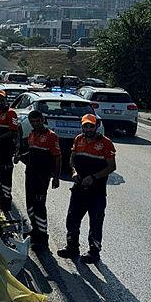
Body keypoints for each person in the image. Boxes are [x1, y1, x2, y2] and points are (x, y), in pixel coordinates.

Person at [57, 114, 116, 264]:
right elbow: (72, 159)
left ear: (96, 126)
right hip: (79, 188)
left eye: (91, 126)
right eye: (86, 126)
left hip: (97, 191)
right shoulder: (78, 139)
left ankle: (94, 252)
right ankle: (72, 247)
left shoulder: (106, 143)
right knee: (72, 219)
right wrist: (74, 172)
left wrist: (94, 177)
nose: (88, 129)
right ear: (82, 126)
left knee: (96, 221)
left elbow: (111, 166)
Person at [15, 110, 61, 250]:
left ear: (43, 119)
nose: (35, 124)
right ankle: (35, 230)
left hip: (42, 177)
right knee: (30, 204)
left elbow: (57, 157)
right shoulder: (31, 134)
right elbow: (31, 152)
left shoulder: (51, 136)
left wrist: (56, 177)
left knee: (39, 207)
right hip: (30, 174)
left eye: (38, 121)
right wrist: (20, 156)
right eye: (33, 122)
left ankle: (42, 238)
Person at [0, 90, 19, 212]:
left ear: (6, 100)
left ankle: (6, 201)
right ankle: (1, 196)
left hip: (6, 149)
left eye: (2, 100)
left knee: (6, 176)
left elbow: (13, 132)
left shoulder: (11, 113)